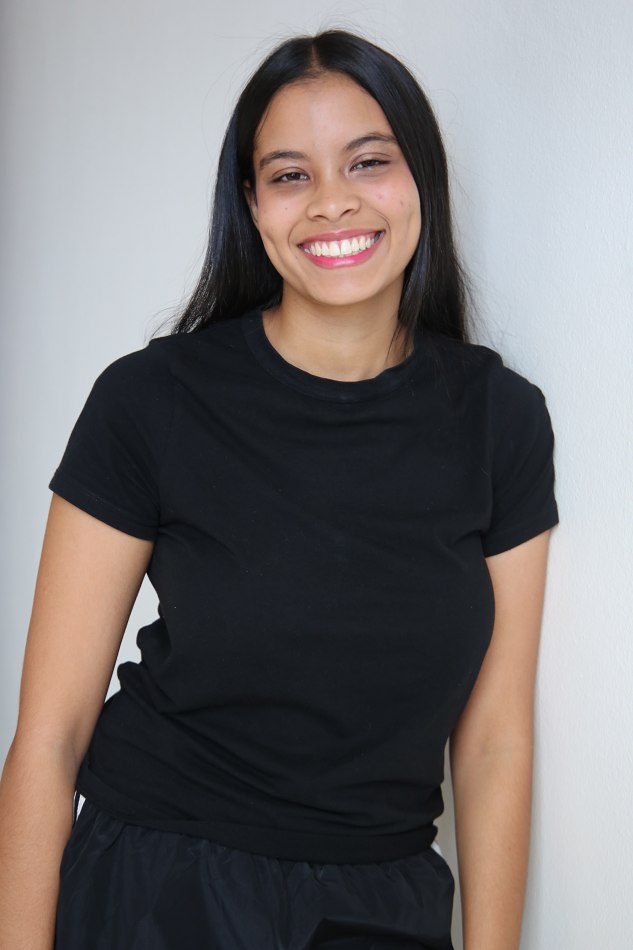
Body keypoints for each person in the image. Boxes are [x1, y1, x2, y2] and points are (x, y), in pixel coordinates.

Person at [0, 28, 559, 950]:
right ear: (253, 205)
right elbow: (48, 739)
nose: (332, 201)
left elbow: (496, 739)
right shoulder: (151, 401)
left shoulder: (500, 421)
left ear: (420, 179)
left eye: (368, 161)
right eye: (290, 174)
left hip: (381, 902)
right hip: (157, 890)